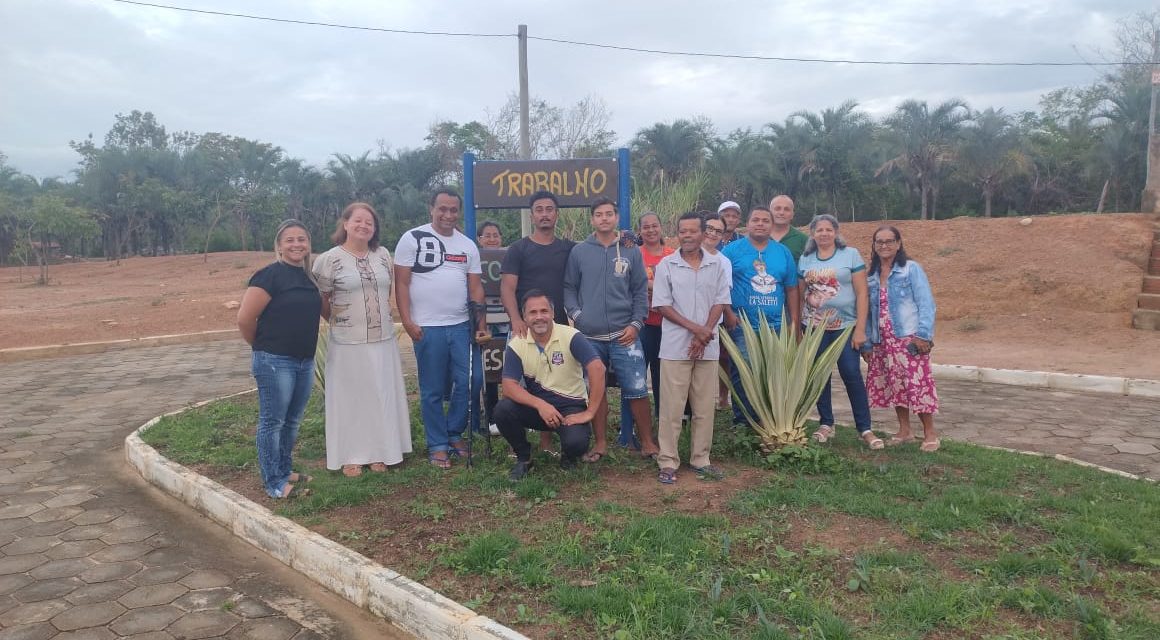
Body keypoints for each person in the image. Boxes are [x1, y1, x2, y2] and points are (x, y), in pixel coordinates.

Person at [313, 204, 412, 477]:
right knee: (351, 398)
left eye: (369, 222)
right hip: (347, 342)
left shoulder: (382, 256)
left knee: (379, 395)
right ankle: (351, 456)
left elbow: (387, 290)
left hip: (382, 340)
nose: (363, 226)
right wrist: (337, 319)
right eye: (358, 220)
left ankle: (381, 452)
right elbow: (321, 298)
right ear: (345, 224)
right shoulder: (329, 259)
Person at [395, 187, 487, 469]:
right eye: (442, 209)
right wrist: (408, 321)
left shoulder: (467, 245)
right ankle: (437, 444)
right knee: (432, 389)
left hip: (461, 326)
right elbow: (402, 283)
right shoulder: (412, 239)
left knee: (472, 380)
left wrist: (480, 325)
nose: (447, 215)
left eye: (453, 209)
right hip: (427, 328)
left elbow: (475, 287)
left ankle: (454, 432)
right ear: (431, 209)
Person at [564, 197, 659, 462]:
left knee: (637, 389)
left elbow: (640, 290)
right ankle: (601, 443)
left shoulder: (630, 250)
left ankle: (648, 442)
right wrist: (577, 315)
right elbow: (569, 288)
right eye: (598, 214)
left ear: (616, 218)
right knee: (597, 391)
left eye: (609, 214)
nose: (604, 218)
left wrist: (636, 323)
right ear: (592, 219)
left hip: (625, 335)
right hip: (589, 337)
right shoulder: (580, 251)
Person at [237, 219, 321, 498]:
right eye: (290, 240)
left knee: (292, 421)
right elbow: (246, 319)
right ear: (280, 245)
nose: (297, 244)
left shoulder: (309, 277)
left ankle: (285, 469)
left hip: (304, 361)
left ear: (308, 244)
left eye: (302, 239)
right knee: (272, 423)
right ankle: (274, 481)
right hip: (274, 361)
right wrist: (262, 349)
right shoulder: (269, 276)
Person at [652, 212, 732, 484]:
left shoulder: (718, 264)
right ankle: (668, 462)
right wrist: (695, 330)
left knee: (703, 407)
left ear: (702, 233)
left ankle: (701, 459)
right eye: (682, 231)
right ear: (678, 234)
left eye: (692, 231)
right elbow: (663, 305)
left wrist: (704, 333)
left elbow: (721, 301)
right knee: (672, 408)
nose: (687, 235)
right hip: (676, 347)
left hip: (707, 347)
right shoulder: (667, 265)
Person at [495, 290, 607, 480]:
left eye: (544, 311)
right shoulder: (517, 343)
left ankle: (568, 456)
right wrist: (541, 405)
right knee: (502, 410)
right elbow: (508, 386)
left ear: (553, 314)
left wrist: (589, 412)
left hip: (570, 407)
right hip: (538, 409)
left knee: (577, 443)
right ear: (524, 316)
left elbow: (598, 369)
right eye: (533, 312)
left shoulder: (571, 336)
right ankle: (524, 458)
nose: (539, 317)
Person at [501, 190, 576, 457]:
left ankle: (546, 444)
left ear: (556, 214)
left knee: (551, 383)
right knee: (516, 384)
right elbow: (508, 288)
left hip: (557, 328)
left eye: (549, 209)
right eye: (539, 209)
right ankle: (516, 443)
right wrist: (516, 319)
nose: (545, 214)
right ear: (532, 215)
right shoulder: (518, 249)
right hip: (525, 327)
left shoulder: (569, 248)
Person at [798, 214, 882, 449]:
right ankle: (826, 424)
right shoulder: (805, 259)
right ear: (812, 234)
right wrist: (797, 326)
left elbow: (862, 293)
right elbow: (800, 292)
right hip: (814, 326)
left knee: (851, 373)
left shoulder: (850, 255)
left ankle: (864, 428)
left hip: (845, 327)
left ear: (835, 232)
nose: (824, 234)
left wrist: (860, 330)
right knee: (820, 376)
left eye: (828, 229)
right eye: (819, 230)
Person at [721, 206, 801, 425]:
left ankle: (768, 419)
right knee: (744, 372)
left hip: (776, 325)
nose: (760, 224)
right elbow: (718, 284)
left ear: (772, 225)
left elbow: (792, 288)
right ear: (747, 223)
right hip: (742, 324)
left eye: (765, 220)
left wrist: (794, 322)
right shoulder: (731, 251)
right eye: (755, 219)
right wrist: (727, 312)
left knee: (772, 373)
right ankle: (744, 422)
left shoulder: (782, 252)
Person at [863, 225, 940, 452]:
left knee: (919, 385)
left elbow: (926, 303)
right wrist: (868, 342)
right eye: (879, 242)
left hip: (908, 339)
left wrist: (923, 335)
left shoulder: (911, 269)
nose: (884, 246)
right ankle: (904, 430)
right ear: (874, 246)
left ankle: (930, 433)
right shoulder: (872, 276)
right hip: (883, 341)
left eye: (889, 241)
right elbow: (868, 311)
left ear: (898, 244)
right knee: (896, 385)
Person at [637, 212, 674, 420]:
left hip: (668, 325)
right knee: (637, 375)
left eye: (654, 226)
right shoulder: (634, 254)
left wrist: (650, 286)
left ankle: (663, 422)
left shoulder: (672, 255)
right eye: (645, 227)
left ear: (660, 227)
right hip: (642, 324)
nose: (650, 230)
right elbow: (630, 286)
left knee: (663, 378)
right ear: (640, 231)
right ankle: (635, 423)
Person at [702, 212, 738, 411]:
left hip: (711, 325)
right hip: (682, 325)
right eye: (709, 228)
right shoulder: (682, 254)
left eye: (718, 231)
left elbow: (723, 295)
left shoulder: (724, 262)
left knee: (709, 368)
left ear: (723, 235)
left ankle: (706, 410)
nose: (713, 234)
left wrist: (727, 315)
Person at [476, 220, 507, 433]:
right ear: (479, 239)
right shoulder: (474, 259)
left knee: (513, 369)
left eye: (495, 234)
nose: (492, 238)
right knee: (489, 375)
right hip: (485, 323)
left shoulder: (509, 257)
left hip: (506, 321)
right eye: (487, 235)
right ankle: (492, 418)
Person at [769, 195, 809, 262]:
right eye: (777, 208)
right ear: (769, 212)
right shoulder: (758, 238)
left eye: (786, 209)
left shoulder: (803, 240)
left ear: (792, 214)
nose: (781, 213)